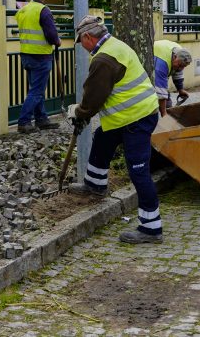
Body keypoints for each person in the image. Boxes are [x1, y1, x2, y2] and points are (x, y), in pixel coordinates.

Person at [67, 15, 163, 244]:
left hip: (136, 119)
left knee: (138, 171)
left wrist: (79, 113)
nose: (81, 46)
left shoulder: (104, 59)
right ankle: (95, 184)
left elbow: (93, 98)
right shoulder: (115, 45)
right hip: (130, 116)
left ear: (88, 37)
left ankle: (151, 228)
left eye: (81, 41)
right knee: (102, 138)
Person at [16, 0, 60, 134]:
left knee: (36, 89)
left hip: (26, 54)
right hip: (41, 55)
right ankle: (24, 121)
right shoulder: (44, 10)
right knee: (36, 91)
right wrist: (57, 41)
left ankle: (41, 119)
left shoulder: (22, 10)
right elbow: (51, 32)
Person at [152, 40, 191, 117]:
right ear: (175, 57)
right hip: (151, 65)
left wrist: (180, 90)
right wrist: (164, 114)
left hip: (161, 56)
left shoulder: (180, 53)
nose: (181, 68)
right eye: (180, 65)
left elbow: (178, 72)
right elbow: (160, 92)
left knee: (168, 103)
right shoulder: (161, 65)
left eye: (184, 67)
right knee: (153, 104)